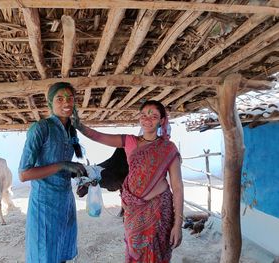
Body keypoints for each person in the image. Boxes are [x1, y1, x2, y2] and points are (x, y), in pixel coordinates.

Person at [74, 100, 184, 263]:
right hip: (133, 210)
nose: (148, 119)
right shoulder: (129, 141)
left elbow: (177, 186)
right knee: (135, 253)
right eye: (144, 115)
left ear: (161, 121)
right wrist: (79, 126)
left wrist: (178, 224)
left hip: (160, 209)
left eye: (154, 116)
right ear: (139, 118)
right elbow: (97, 136)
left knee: (157, 256)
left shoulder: (169, 148)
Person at [18, 82, 86, 263]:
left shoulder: (71, 130)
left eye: (70, 98)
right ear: (50, 103)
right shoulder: (40, 128)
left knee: (62, 249)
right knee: (45, 253)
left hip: (65, 200)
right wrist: (63, 165)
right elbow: (24, 174)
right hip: (44, 203)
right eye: (60, 98)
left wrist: (78, 174)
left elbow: (68, 163)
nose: (66, 102)